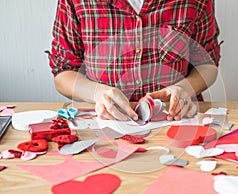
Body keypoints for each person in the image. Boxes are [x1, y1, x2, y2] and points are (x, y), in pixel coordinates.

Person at [48, 0, 221, 122]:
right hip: (105, 124)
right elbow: (63, 72)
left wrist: (184, 88)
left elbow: (207, 64)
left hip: (177, 119)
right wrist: (96, 92)